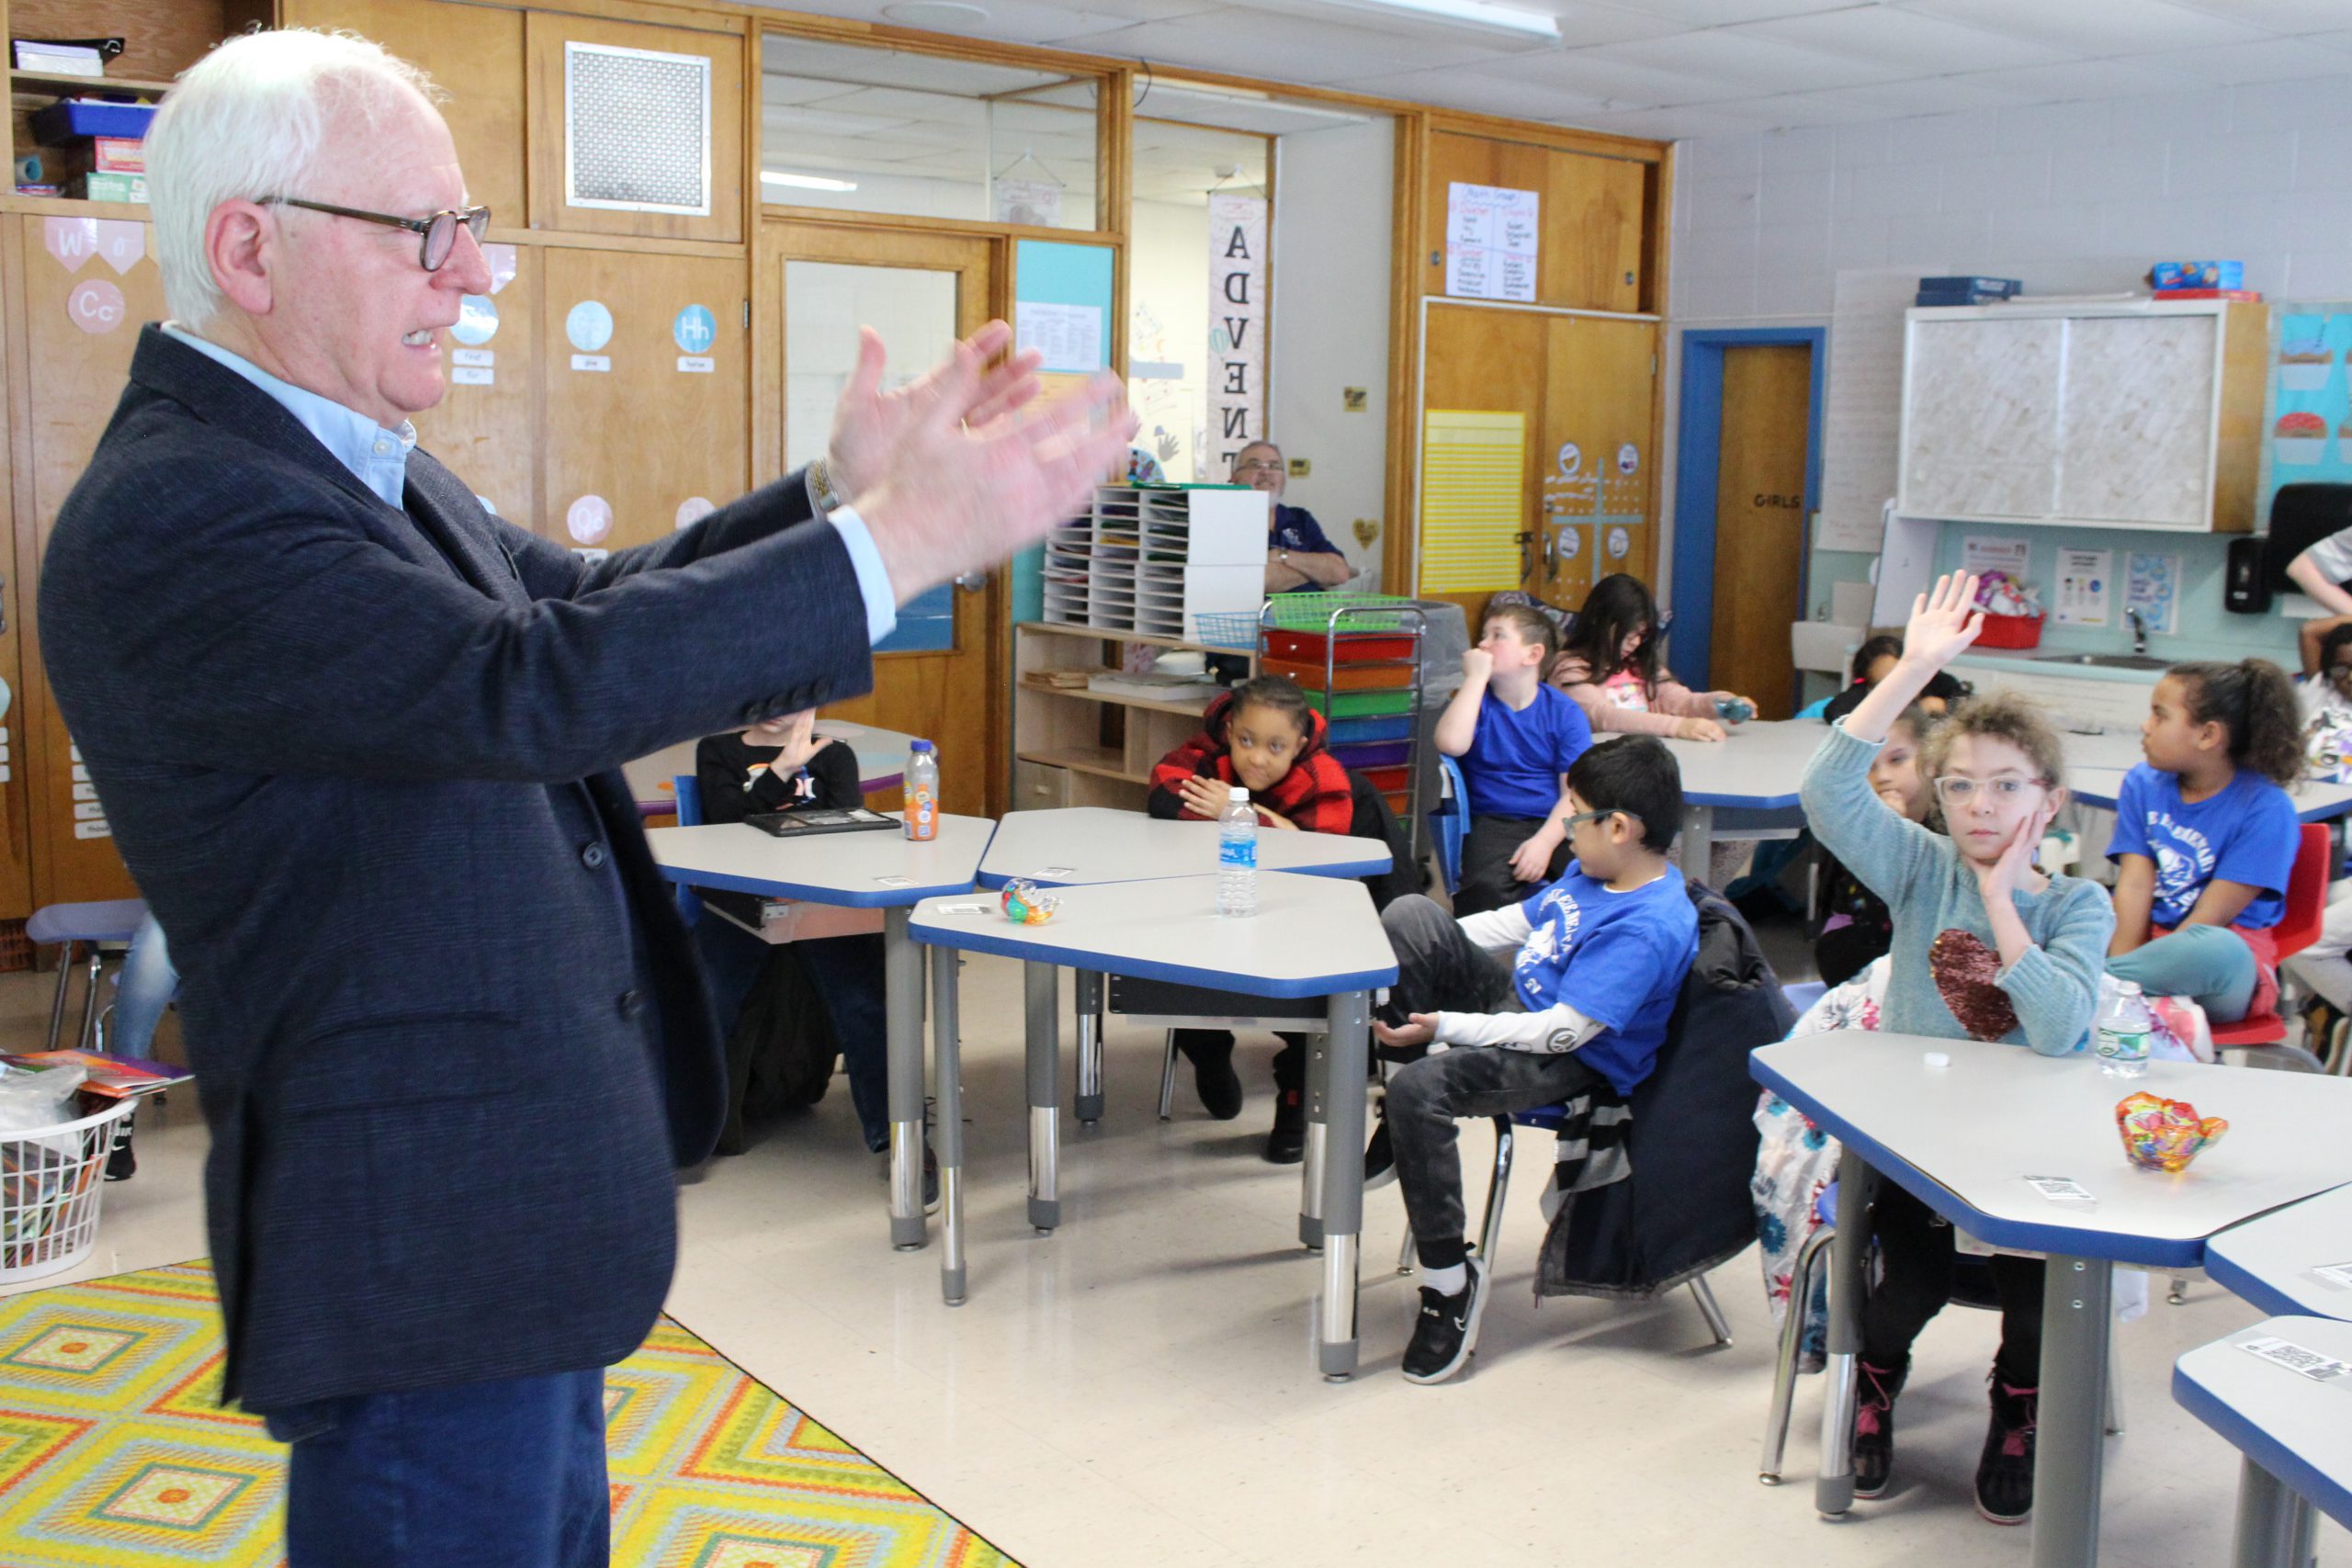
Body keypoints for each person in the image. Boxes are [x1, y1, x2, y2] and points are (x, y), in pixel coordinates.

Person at [39, 28, 1135, 1568]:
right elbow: (523, 679)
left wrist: (837, 500)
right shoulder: (185, 507)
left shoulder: (349, 458)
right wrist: (900, 547)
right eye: (426, 234)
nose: (471, 277)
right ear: (249, 247)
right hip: (419, 1248)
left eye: (466, 229)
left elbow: (588, 596)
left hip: (503, 1225)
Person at [1799, 572, 2113, 1527]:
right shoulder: (1917, 865)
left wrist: (2002, 907)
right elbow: (1826, 790)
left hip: (2033, 1158)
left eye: (2007, 787)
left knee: (2033, 1302)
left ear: (2048, 802)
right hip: (1917, 1146)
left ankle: (2015, 1405)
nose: (1981, 807)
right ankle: (1875, 1381)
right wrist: (1918, 670)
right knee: (1905, 1291)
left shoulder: (2075, 905)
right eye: (1961, 786)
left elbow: (2059, 1028)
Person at [1365, 737, 1698, 1385]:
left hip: (1570, 1056)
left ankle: (1448, 1284)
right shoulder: (1597, 870)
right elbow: (1516, 922)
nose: (1565, 830)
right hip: (1520, 1005)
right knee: (1409, 914)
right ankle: (1402, 1103)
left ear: (1621, 828)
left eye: (1574, 817)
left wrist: (1448, 1028)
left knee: (1420, 1091)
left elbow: (1560, 1033)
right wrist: (1398, 947)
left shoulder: (1647, 925)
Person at [692, 712, 919, 1193]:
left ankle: (896, 1137)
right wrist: (782, 770)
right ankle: (687, 1131)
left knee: (864, 1003)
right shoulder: (719, 752)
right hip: (742, 901)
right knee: (708, 997)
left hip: (821, 900)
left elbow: (848, 832)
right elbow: (727, 833)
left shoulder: (834, 754)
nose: (782, 707)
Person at [1148, 674, 1353, 1160]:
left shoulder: (1325, 777)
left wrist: (1240, 813)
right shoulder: (1203, 755)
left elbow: (1325, 851)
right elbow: (1163, 795)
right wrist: (1274, 825)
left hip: (1302, 922)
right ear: (1229, 731)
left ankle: (1295, 1108)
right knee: (1181, 969)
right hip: (1213, 907)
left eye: (1275, 746)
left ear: (1300, 745)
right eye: (1245, 740)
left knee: (1313, 1012)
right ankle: (1207, 1049)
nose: (1257, 758)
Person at [2107, 660, 2304, 1025]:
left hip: (2225, 972)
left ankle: (2096, 990)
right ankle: (2123, 998)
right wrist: (2128, 967)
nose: (2145, 726)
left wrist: (2118, 979)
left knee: (2214, 948)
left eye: (2159, 716)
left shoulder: (2268, 810)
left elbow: (2210, 918)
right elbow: (2134, 886)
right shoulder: (2142, 784)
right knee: (2080, 907)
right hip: (2148, 958)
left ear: (2208, 735)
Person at [1435, 602, 1592, 917]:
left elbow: (1574, 796)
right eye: (1483, 636)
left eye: (1497, 636)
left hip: (1556, 820)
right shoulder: (1475, 701)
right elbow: (1450, 743)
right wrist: (1475, 681)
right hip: (1495, 820)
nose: (1482, 644)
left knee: (1588, 878)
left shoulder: (1565, 713)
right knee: (1484, 890)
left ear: (1532, 655)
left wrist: (1544, 843)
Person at [1812, 704, 1939, 987]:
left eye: (1897, 760)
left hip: (1928, 943)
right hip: (1863, 937)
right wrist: (1883, 837)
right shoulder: (1855, 821)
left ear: (1930, 760)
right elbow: (1849, 909)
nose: (1882, 776)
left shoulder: (1949, 823)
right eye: (1869, 767)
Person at [1549, 573, 1752, 740]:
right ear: (1598, 621)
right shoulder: (1570, 669)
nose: (1635, 643)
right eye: (1629, 633)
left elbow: (1681, 700)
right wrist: (1677, 726)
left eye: (1642, 635)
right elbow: (1603, 717)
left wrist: (1720, 704)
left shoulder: (1640, 664)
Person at [1231, 440, 1351, 593]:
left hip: (1311, 615)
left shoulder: (1301, 519)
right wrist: (1316, 573)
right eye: (1255, 465)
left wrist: (1281, 556)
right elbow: (1258, 580)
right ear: (1234, 478)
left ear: (1284, 479)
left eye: (1274, 466)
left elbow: (1339, 572)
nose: (1266, 472)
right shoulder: (1227, 521)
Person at [1820, 634, 1966, 725]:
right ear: (1869, 684)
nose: (1898, 689)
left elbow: (1972, 708)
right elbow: (1834, 712)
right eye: (1885, 684)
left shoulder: (1935, 680)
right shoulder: (1861, 693)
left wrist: (1945, 706)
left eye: (1903, 678)